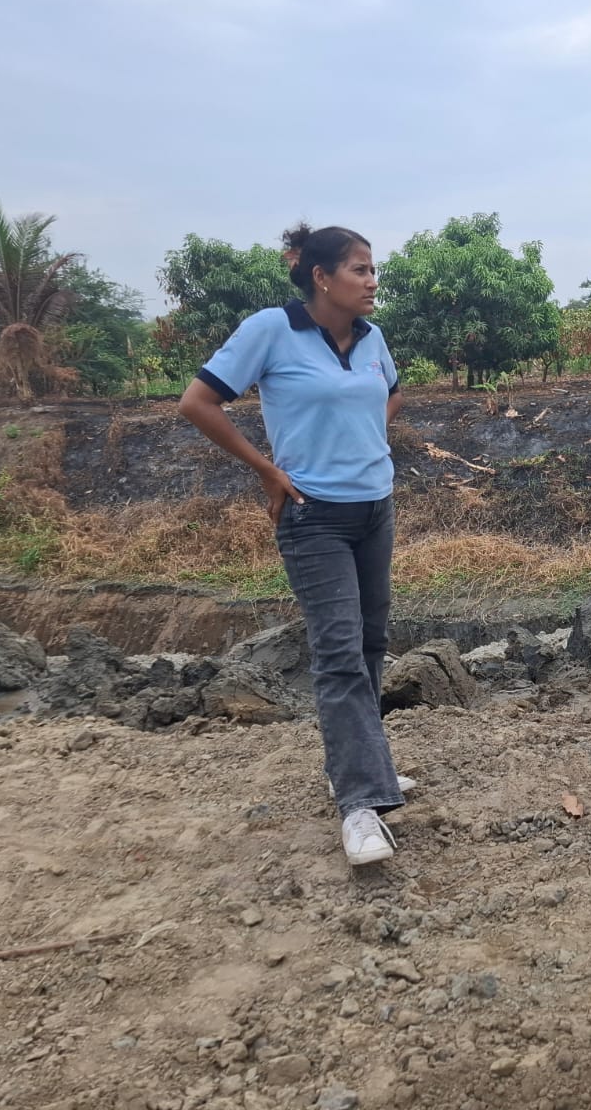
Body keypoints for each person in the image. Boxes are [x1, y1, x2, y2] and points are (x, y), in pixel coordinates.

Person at [178, 222, 413, 868]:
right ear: (321, 277)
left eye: (373, 269)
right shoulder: (271, 330)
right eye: (360, 269)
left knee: (370, 643)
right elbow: (198, 402)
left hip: (375, 508)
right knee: (338, 654)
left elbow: (391, 393)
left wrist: (359, 439)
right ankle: (360, 804)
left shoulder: (372, 337)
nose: (372, 281)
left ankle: (358, 766)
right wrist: (267, 469)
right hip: (314, 517)